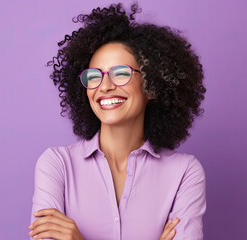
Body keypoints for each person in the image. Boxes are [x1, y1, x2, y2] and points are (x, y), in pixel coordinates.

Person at [28, 2, 206, 240]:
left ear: (151, 86)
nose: (105, 86)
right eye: (94, 76)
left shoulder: (185, 173)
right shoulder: (56, 165)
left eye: (120, 73)